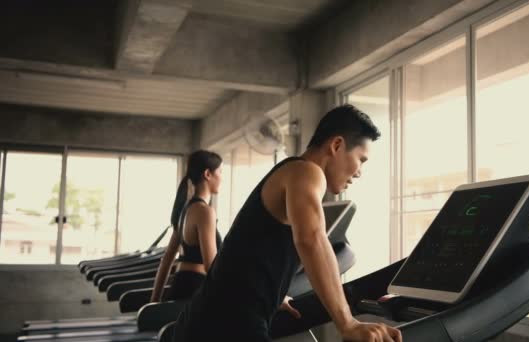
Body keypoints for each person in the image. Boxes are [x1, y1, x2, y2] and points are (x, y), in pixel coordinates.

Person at [172, 105, 402, 341]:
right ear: (336, 145)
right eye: (361, 160)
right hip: (222, 324)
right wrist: (348, 323)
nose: (359, 173)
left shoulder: (291, 172)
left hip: (216, 318)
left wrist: (272, 292)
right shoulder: (306, 172)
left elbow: (248, 250)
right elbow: (311, 240)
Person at [150, 150, 223, 302]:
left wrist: (154, 302)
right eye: (220, 172)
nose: (222, 178)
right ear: (208, 174)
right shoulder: (205, 212)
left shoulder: (185, 210)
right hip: (195, 289)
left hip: (181, 285)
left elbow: (167, 260)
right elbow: (212, 267)